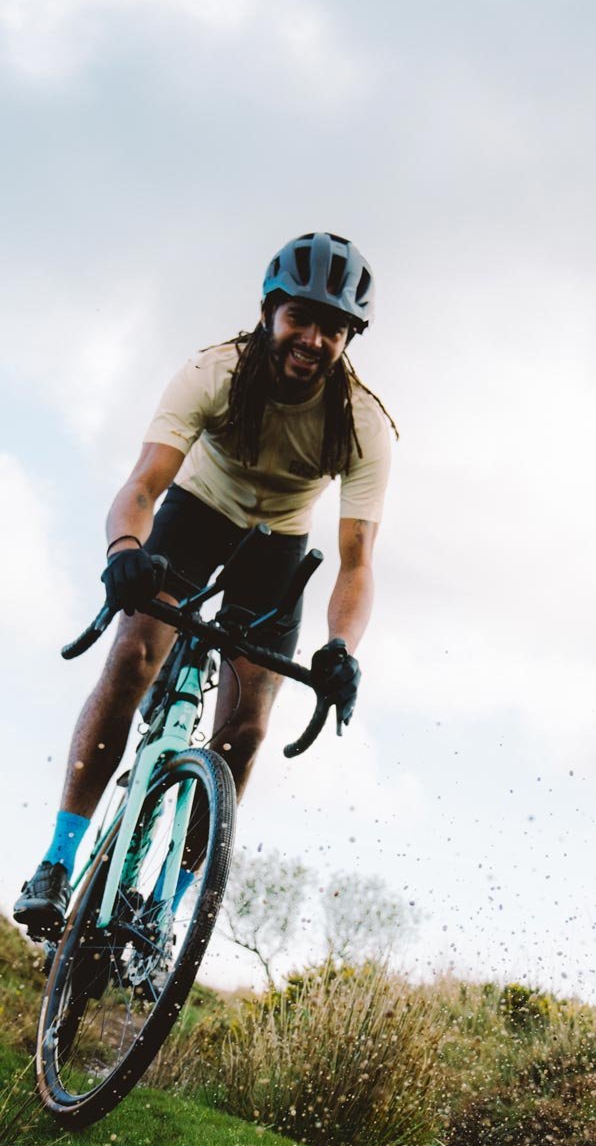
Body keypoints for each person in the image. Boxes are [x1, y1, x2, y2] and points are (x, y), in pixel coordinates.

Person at [13, 231, 397, 939]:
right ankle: (57, 861)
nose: (312, 339)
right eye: (299, 319)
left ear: (350, 336)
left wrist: (343, 645)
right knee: (132, 657)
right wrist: (126, 548)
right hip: (195, 518)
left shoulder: (363, 423)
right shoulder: (214, 372)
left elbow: (356, 561)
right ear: (268, 311)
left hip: (277, 548)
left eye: (333, 328)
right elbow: (143, 485)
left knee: (246, 729)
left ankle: (169, 906)